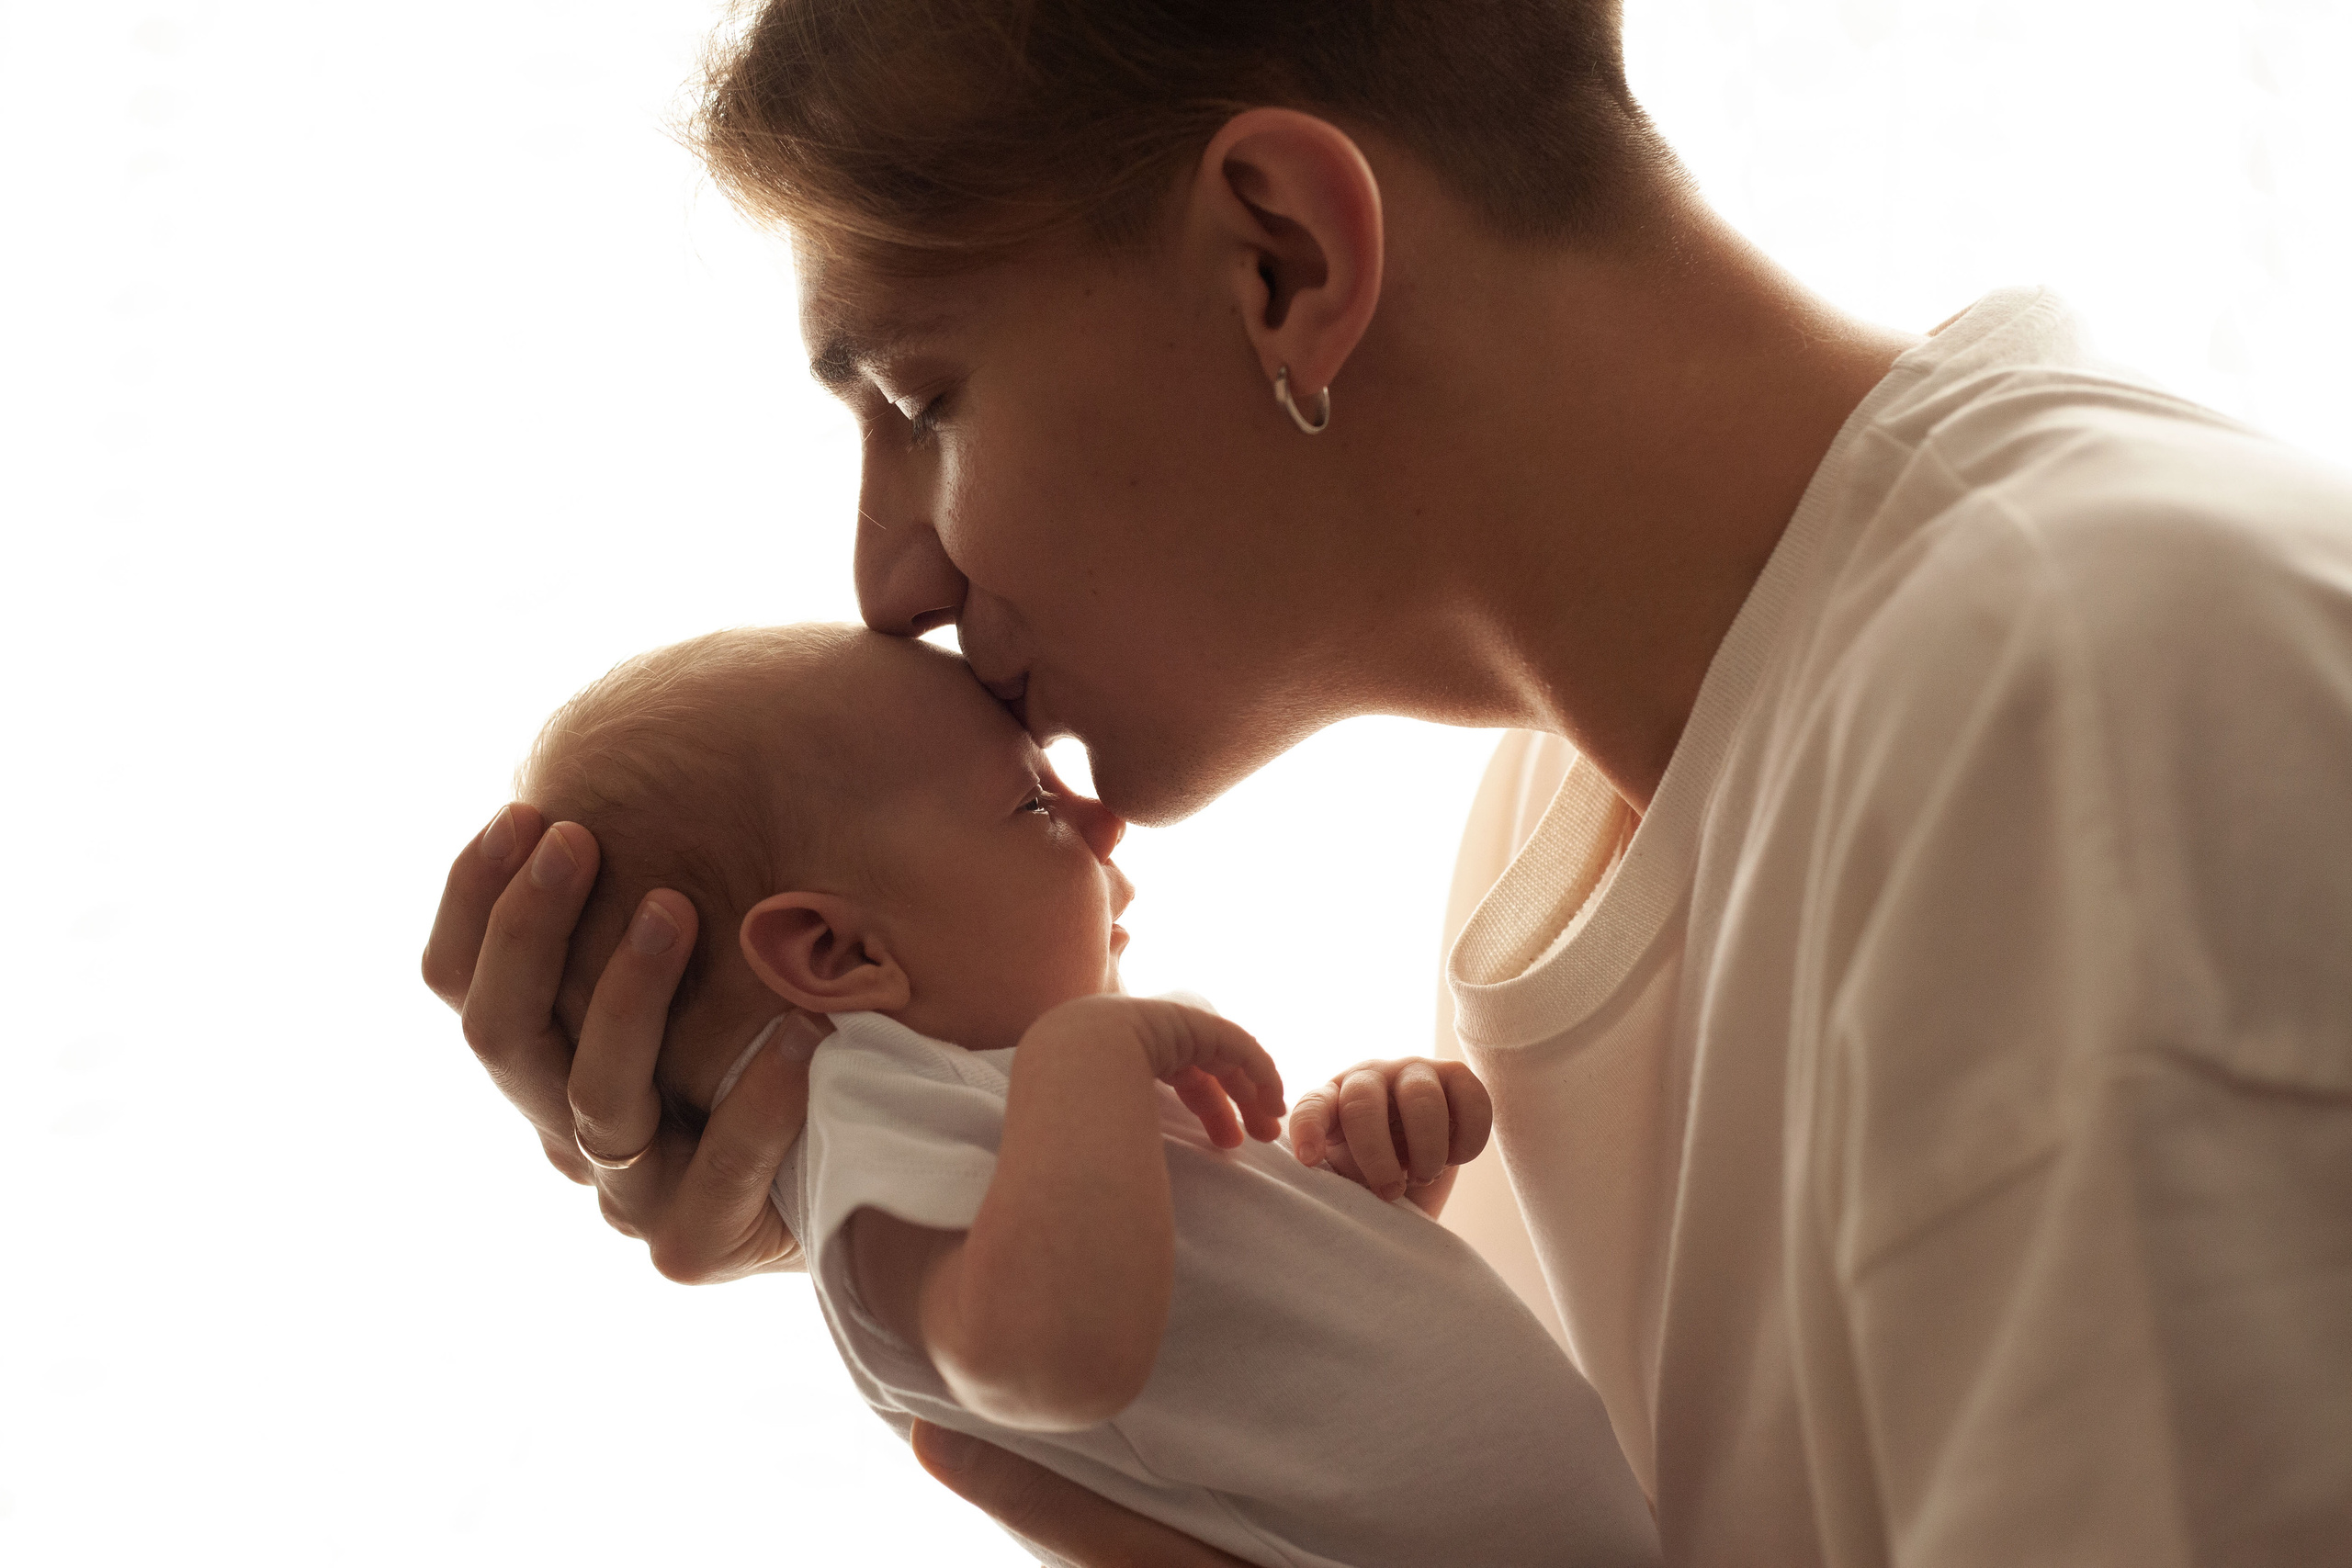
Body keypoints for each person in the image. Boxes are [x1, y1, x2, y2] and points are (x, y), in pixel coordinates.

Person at [423, 2, 2352, 1562]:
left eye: (921, 400)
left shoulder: (2098, 703)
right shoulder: (1565, 819)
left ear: (1283, 256)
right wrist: (896, 1166)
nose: (888, 582)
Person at [510, 621, 1659, 1568]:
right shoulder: (872, 1115)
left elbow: (1232, 1330)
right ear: (836, 954)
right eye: (1033, 807)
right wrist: (1085, 1062)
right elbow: (1048, 1362)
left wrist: (1356, 1178)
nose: (1103, 817)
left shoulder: (998, 1114)